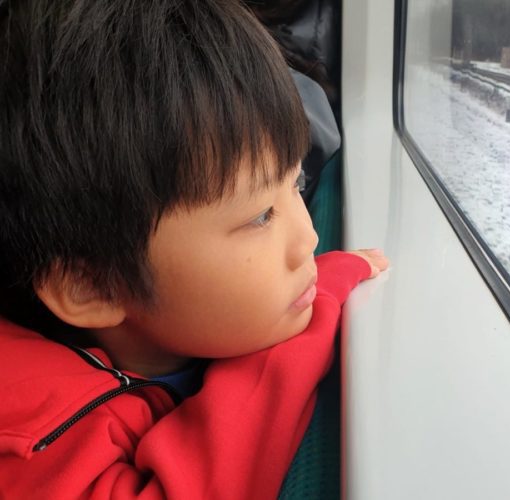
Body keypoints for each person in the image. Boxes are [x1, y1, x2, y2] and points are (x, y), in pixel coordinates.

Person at [0, 1, 388, 498]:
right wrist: (316, 311)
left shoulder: (172, 325)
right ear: (91, 284)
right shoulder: (32, 436)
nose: (309, 239)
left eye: (295, 184)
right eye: (260, 217)